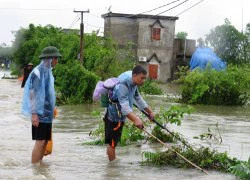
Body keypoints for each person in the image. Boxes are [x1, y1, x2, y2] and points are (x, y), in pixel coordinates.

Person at [104, 65, 154, 161]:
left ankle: (110, 161)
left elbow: (138, 98)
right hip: (113, 117)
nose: (143, 81)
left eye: (145, 78)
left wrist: (150, 112)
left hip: (119, 117)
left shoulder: (134, 84)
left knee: (113, 142)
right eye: (142, 78)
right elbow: (125, 107)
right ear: (134, 75)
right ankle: (112, 171)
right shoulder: (123, 86)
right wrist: (136, 120)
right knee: (112, 143)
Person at [21, 46, 62, 164]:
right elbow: (32, 93)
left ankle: (40, 167)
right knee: (39, 142)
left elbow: (48, 93)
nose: (57, 61)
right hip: (39, 114)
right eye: (55, 58)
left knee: (44, 141)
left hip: (47, 114)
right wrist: (34, 114)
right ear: (49, 59)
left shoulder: (48, 72)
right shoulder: (38, 72)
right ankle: (34, 169)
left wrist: (53, 108)